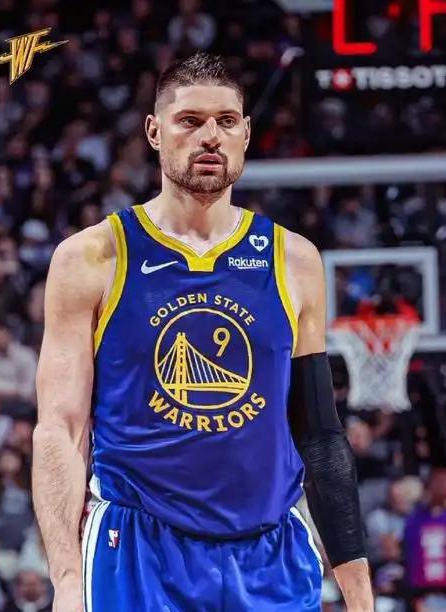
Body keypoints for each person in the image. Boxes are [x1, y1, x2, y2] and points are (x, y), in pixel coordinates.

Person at [32, 53, 373, 611]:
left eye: (226, 121)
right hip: (138, 550)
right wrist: (67, 580)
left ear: (246, 134)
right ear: (154, 132)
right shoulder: (92, 257)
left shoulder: (293, 260)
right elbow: (61, 430)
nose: (210, 136)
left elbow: (317, 432)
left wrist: (359, 592)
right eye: (190, 120)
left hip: (270, 553)